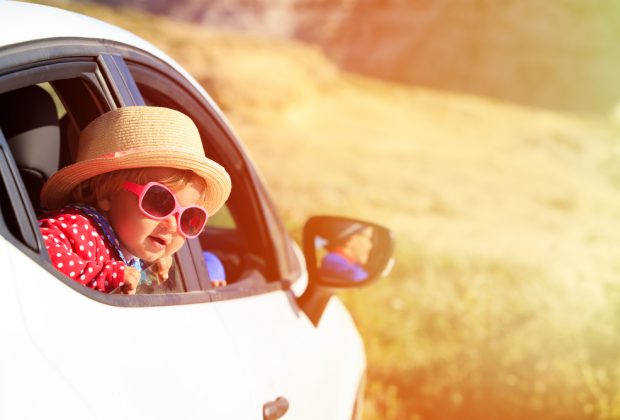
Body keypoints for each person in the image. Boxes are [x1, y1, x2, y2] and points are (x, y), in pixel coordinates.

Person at [38, 106, 231, 294]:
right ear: (107, 194)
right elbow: (39, 249)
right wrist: (104, 276)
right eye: (160, 201)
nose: (172, 225)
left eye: (189, 217)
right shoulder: (80, 226)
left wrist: (205, 265)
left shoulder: (133, 248)